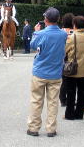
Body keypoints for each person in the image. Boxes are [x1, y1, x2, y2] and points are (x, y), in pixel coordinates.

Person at [27, 7, 67, 137]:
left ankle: (33, 128)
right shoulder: (63, 34)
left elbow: (32, 45)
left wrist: (35, 32)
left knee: (36, 100)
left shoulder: (40, 34)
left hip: (40, 72)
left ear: (45, 19)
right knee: (53, 102)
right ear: (58, 19)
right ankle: (51, 129)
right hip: (55, 73)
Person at [63, 16, 84, 120]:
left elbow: (65, 51)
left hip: (72, 69)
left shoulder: (71, 37)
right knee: (82, 92)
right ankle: (79, 114)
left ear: (74, 25)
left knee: (71, 92)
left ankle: (69, 114)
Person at [59, 13, 74, 107]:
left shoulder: (61, 31)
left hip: (62, 58)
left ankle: (62, 99)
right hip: (72, 57)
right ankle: (71, 98)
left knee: (64, 80)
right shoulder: (74, 32)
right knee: (72, 80)